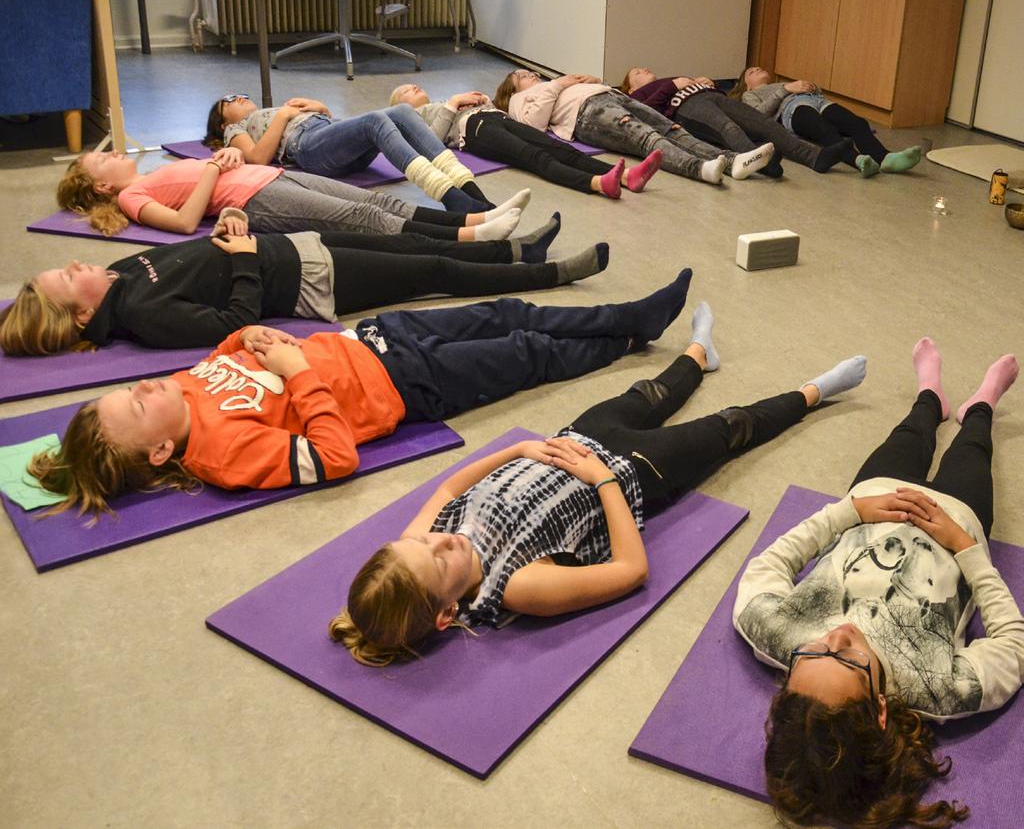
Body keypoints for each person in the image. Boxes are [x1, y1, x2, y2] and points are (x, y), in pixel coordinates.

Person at [329, 302, 869, 666]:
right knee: (728, 428)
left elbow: (446, 493)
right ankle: (814, 393)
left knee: (649, 395)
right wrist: (603, 479)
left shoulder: (417, 552)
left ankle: (698, 354)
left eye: (421, 539)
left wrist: (517, 449)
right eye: (440, 557)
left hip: (574, 438)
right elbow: (631, 571)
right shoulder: (514, 588)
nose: (439, 539)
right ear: (448, 614)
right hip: (631, 474)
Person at [30, 269, 702, 519]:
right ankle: (625, 337)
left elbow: (225, 351)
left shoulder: (179, 387)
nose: (148, 383)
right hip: (404, 386)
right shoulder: (223, 452)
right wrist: (295, 372)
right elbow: (331, 456)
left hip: (374, 338)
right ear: (159, 451)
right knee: (530, 354)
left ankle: (631, 313)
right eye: (141, 403)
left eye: (131, 386)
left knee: (507, 311)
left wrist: (254, 340)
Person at [733, 339, 1024, 828]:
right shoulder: (940, 690)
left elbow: (771, 563)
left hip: (875, 498)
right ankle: (981, 408)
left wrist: (848, 512)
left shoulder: (771, 633)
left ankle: (930, 396)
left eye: (814, 651)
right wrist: (965, 548)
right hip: (957, 519)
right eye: (848, 660)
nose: (837, 638)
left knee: (911, 433)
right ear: (881, 711)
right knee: (973, 448)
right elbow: (1013, 644)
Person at [0, 210, 606, 355]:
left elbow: (203, 250)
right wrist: (240, 259)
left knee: (414, 240)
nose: (79, 265)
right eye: (68, 277)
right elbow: (235, 326)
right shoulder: (143, 316)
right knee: (435, 272)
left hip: (293, 249)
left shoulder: (123, 272)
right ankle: (552, 274)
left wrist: (234, 227)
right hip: (314, 282)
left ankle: (518, 248)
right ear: (80, 317)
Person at [55, 148, 530, 240]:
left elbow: (213, 171)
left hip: (269, 176)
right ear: (102, 185)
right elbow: (184, 222)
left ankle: (473, 221)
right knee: (361, 218)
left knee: (377, 201)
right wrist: (212, 171)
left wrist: (229, 159)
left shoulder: (154, 171)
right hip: (260, 203)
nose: (114, 152)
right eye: (103, 159)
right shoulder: (128, 199)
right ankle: (471, 240)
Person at [205, 93, 494, 212]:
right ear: (222, 121)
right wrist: (282, 116)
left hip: (323, 138)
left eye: (240, 93)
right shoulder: (235, 129)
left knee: (402, 111)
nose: (239, 96)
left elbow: (333, 126)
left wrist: (319, 108)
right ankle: (450, 196)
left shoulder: (270, 113)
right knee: (375, 120)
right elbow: (257, 158)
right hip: (306, 146)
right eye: (229, 100)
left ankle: (468, 187)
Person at [494, 69, 776, 186]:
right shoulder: (520, 99)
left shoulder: (552, 86)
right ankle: (700, 169)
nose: (529, 74)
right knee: (647, 138)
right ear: (511, 89)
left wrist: (589, 82)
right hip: (588, 114)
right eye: (521, 75)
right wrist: (557, 84)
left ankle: (730, 160)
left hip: (609, 98)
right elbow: (533, 124)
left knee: (672, 129)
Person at [390, 83, 662, 199]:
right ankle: (598, 184)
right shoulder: (413, 115)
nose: (412, 87)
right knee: (534, 157)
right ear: (398, 104)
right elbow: (432, 142)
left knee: (559, 148)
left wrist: (483, 101)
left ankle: (627, 176)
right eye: (405, 90)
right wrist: (453, 104)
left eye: (413, 85)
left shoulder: (439, 101)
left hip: (493, 117)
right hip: (475, 129)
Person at [620, 67, 854, 178]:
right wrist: (673, 86)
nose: (645, 69)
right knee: (728, 128)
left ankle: (814, 157)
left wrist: (699, 81)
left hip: (710, 95)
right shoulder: (635, 96)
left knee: (764, 124)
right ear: (631, 86)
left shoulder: (671, 78)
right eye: (638, 71)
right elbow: (646, 113)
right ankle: (760, 160)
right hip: (687, 107)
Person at [732, 66, 922, 177]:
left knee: (856, 123)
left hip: (819, 102)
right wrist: (787, 89)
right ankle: (857, 160)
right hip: (792, 110)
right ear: (746, 84)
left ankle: (885, 158)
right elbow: (758, 115)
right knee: (823, 129)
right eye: (752, 72)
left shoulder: (779, 83)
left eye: (759, 67)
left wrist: (812, 88)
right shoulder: (751, 95)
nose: (757, 69)